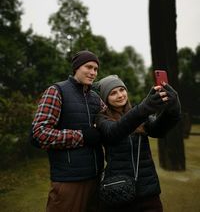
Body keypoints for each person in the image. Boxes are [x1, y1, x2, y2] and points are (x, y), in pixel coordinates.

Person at [31, 50, 106, 212]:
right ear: (76, 67)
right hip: (69, 181)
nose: (93, 73)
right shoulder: (56, 91)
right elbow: (40, 133)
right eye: (89, 67)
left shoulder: (95, 98)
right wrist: (82, 136)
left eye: (96, 69)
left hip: (96, 178)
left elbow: (114, 122)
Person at [94, 75, 181, 212]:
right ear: (106, 98)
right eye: (113, 93)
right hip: (118, 190)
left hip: (148, 191)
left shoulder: (138, 113)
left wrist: (173, 109)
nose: (120, 95)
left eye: (122, 90)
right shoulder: (101, 118)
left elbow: (158, 130)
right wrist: (145, 107)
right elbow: (115, 132)